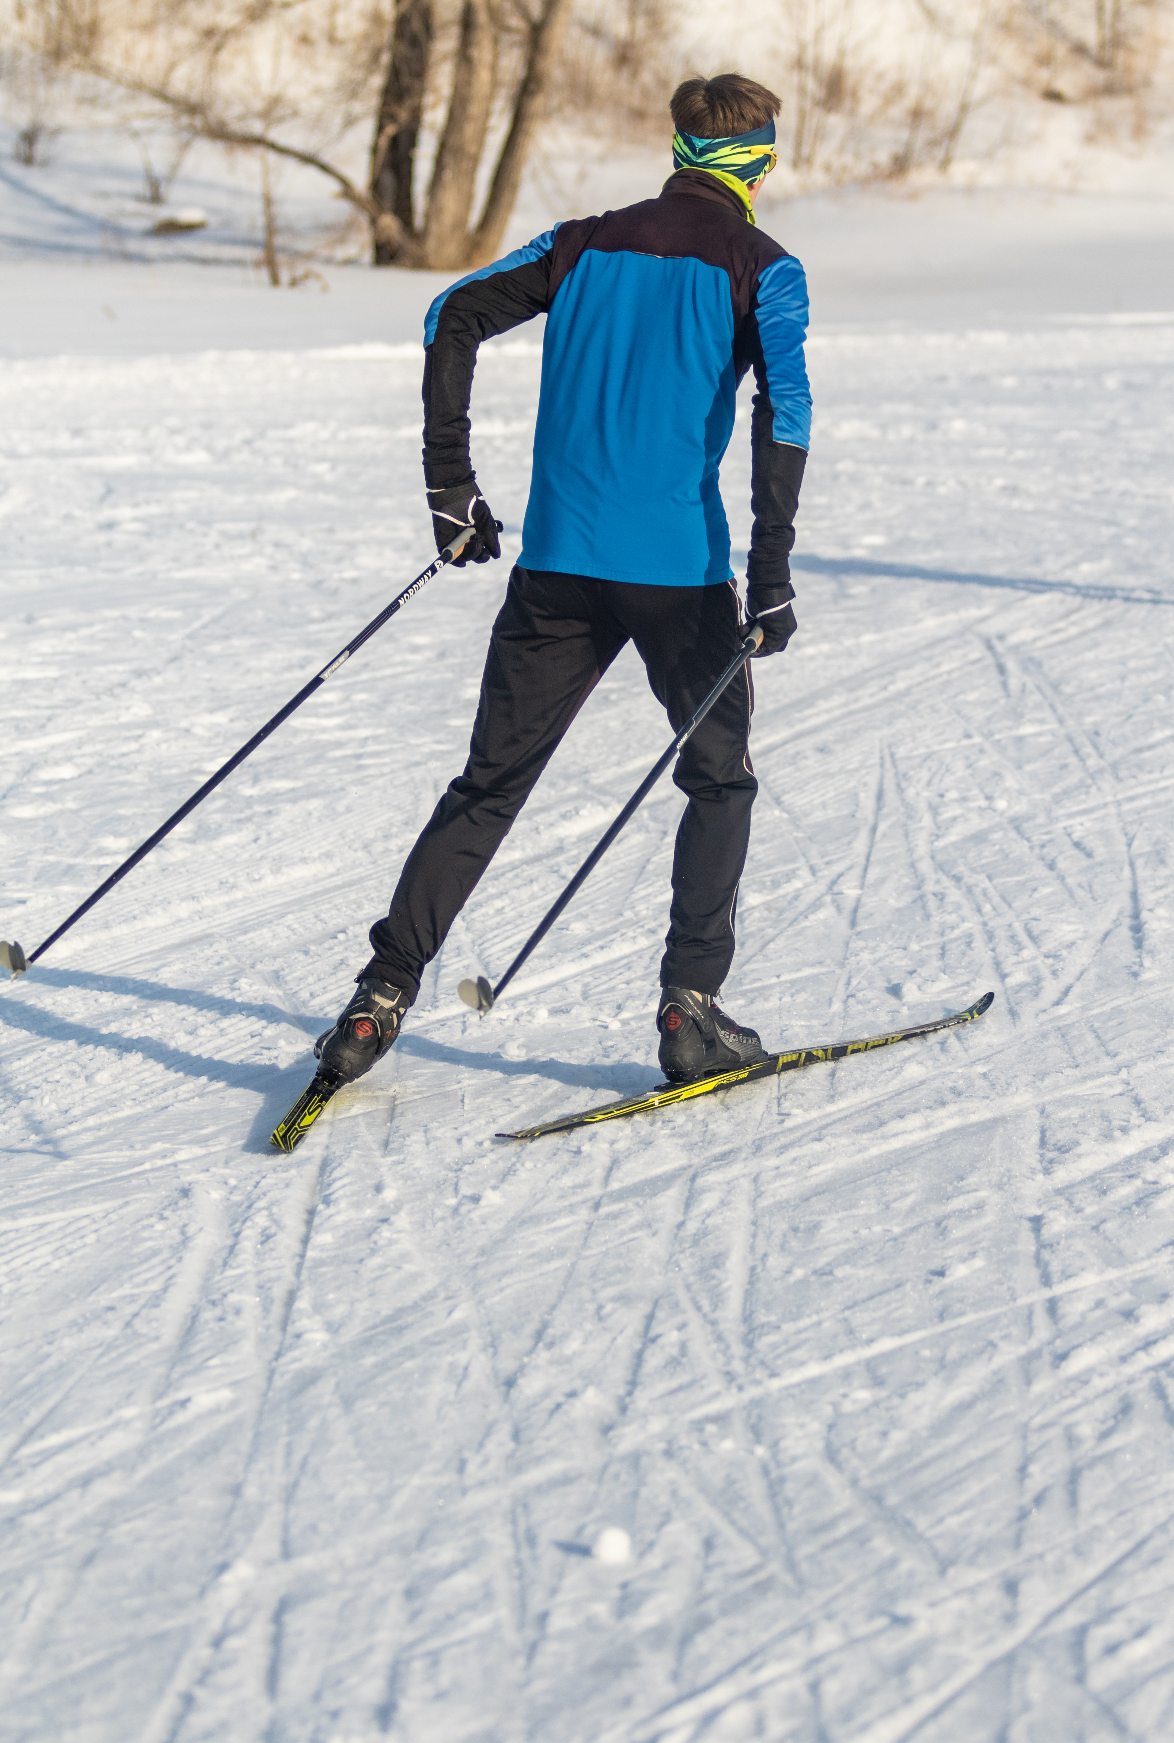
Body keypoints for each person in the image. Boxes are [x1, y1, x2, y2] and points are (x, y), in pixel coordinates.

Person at [314, 72, 812, 1094]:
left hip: (558, 568)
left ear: (677, 150)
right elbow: (785, 414)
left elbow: (450, 315)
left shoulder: (579, 241)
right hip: (679, 575)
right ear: (760, 161)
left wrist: (450, 487)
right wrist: (769, 574)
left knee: (489, 783)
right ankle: (690, 1008)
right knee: (718, 777)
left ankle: (379, 994)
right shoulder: (766, 266)